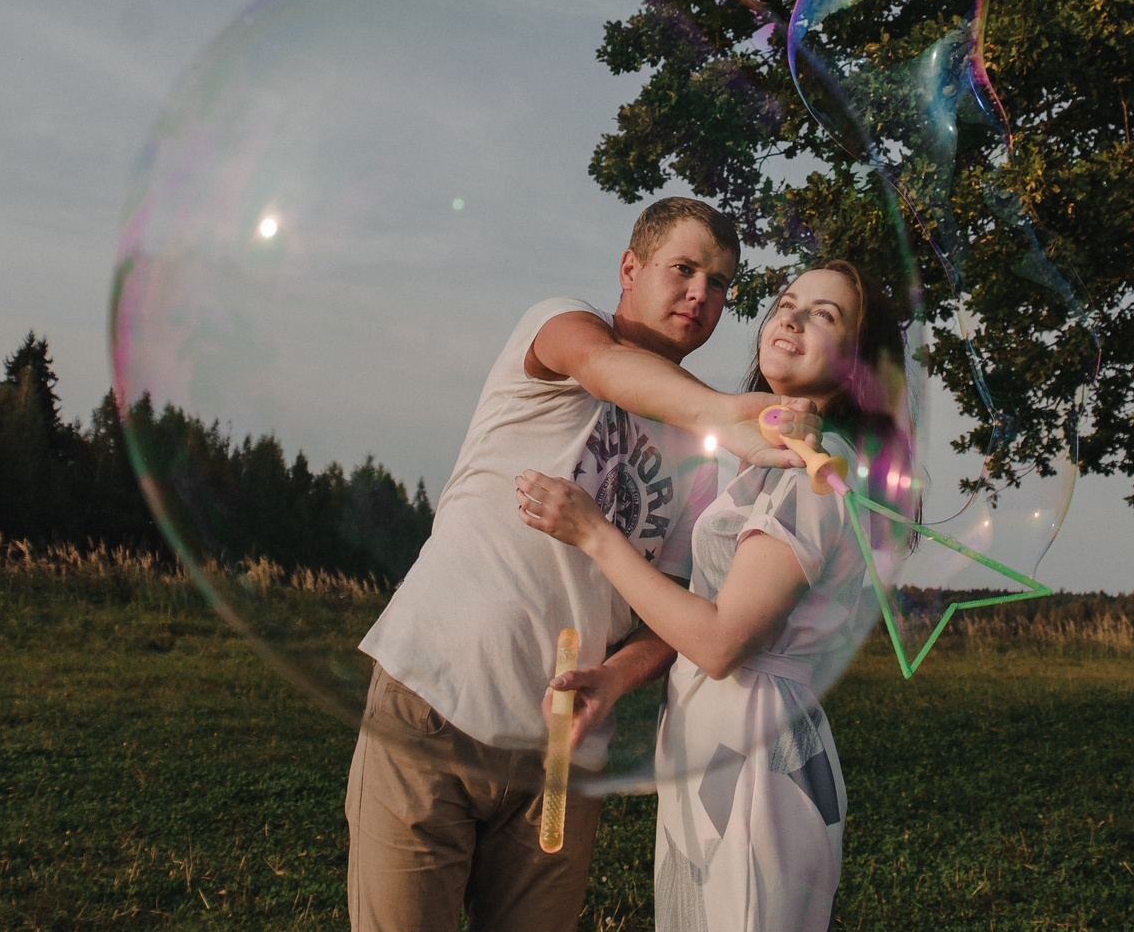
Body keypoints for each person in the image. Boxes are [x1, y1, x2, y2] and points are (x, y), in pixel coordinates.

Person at [345, 196, 820, 932]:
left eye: (721, 283)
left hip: (562, 759)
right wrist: (729, 414)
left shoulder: (699, 460)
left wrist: (615, 676)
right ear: (630, 268)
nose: (702, 294)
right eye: (684, 269)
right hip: (435, 702)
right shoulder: (561, 326)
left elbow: (677, 608)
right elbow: (601, 367)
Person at [517, 260, 904, 932]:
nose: (792, 317)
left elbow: (722, 642)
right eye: (789, 301)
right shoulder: (765, 467)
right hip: (713, 742)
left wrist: (594, 534)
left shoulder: (820, 470)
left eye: (825, 315)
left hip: (756, 759)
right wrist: (614, 676)